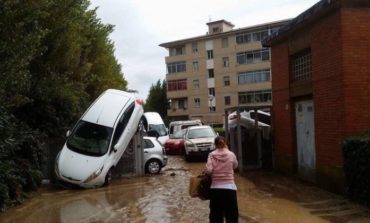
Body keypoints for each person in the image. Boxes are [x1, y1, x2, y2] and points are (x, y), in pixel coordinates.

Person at [205, 136, 239, 223]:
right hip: (230, 189)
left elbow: (209, 171)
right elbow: (235, 166)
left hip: (216, 190)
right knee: (232, 217)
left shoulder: (211, 155)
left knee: (216, 216)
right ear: (226, 143)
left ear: (215, 144)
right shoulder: (231, 154)